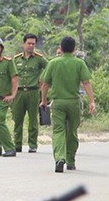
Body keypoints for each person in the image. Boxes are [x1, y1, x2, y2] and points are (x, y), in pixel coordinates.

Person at [40, 36, 96, 173]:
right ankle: (70, 161)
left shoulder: (53, 63)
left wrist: (43, 100)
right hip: (73, 103)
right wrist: (92, 101)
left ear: (61, 47)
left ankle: (60, 158)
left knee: (58, 130)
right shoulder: (79, 63)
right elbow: (86, 83)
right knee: (72, 131)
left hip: (58, 102)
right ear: (74, 49)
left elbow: (45, 84)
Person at [12, 34, 48, 153]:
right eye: (29, 43)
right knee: (17, 119)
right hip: (19, 92)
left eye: (33, 44)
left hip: (33, 92)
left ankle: (32, 144)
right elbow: (10, 75)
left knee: (33, 120)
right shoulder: (16, 59)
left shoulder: (39, 59)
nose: (31, 46)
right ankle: (17, 144)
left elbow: (49, 69)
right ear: (24, 44)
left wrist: (43, 81)